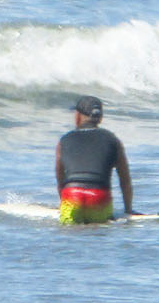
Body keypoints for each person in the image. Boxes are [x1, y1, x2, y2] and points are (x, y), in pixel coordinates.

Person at [54, 95, 139, 224]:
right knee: (98, 233)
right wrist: (128, 210)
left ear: (78, 116)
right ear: (100, 118)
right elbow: (125, 180)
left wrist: (63, 202)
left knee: (70, 234)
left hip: (72, 197)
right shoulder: (113, 141)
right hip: (99, 199)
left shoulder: (64, 140)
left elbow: (60, 178)